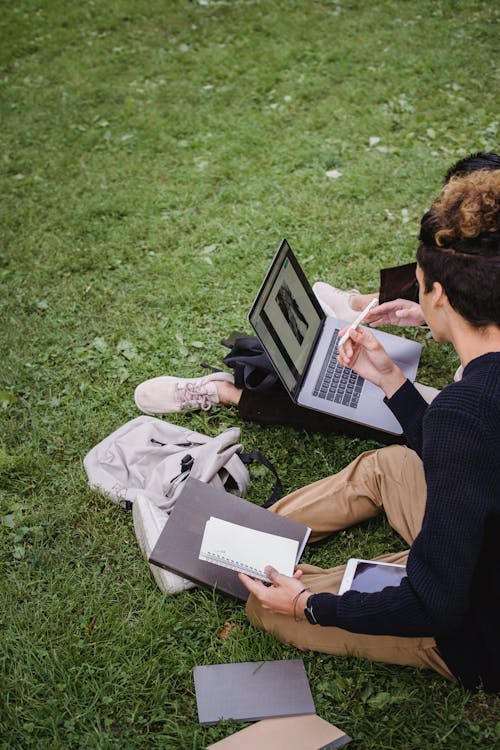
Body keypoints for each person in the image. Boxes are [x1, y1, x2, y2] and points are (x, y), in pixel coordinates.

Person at [238, 169, 500, 692]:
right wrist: (388, 380)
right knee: (392, 465)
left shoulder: (465, 412)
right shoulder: (472, 408)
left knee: (266, 611)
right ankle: (242, 536)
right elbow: (469, 453)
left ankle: (261, 573)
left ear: (439, 297)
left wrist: (306, 605)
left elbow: (435, 604)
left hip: (480, 629)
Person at [134, 153, 500, 444]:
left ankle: (225, 391)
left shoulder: (464, 414)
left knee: (353, 409)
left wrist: (392, 386)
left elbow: (438, 448)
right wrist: (415, 331)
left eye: (422, 285)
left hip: (463, 419)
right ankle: (355, 309)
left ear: (440, 296)